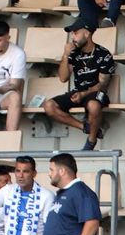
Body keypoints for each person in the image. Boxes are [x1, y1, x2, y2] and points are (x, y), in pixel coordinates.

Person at [43, 19, 116, 151]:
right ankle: (85, 127)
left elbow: (102, 84)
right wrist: (65, 55)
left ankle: (91, 140)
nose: (72, 37)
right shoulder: (74, 53)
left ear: (87, 34)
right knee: (49, 106)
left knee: (93, 106)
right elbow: (63, 78)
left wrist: (85, 93)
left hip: (95, 92)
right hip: (78, 92)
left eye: (75, 33)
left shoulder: (104, 54)